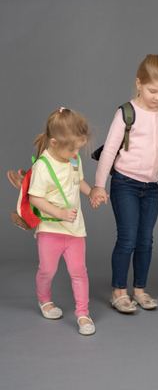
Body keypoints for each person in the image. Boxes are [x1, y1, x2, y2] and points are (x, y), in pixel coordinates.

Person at [89, 54, 158, 313]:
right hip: (125, 183)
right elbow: (109, 151)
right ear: (139, 83)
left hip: (152, 186)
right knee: (127, 239)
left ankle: (139, 290)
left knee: (146, 240)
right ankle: (119, 291)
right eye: (153, 90)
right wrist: (98, 185)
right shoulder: (126, 113)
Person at [28, 108, 97, 335]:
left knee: (79, 271)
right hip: (50, 229)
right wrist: (59, 213)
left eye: (79, 147)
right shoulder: (42, 166)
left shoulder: (73, 158)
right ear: (55, 142)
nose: (77, 152)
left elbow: (79, 181)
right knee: (47, 270)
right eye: (73, 148)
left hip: (75, 229)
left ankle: (83, 313)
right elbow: (35, 198)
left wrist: (92, 193)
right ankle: (44, 300)